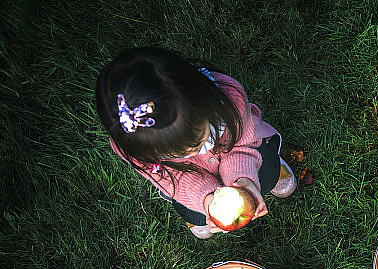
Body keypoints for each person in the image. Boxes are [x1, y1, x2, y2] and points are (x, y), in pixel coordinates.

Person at [95, 47, 297, 238]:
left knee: (266, 171)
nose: (193, 152)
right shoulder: (136, 148)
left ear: (203, 99)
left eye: (199, 139)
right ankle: (199, 215)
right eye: (176, 153)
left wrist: (243, 180)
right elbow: (174, 179)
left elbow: (241, 143)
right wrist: (207, 199)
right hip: (190, 186)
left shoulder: (229, 99)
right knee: (195, 213)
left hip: (244, 153)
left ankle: (271, 172)